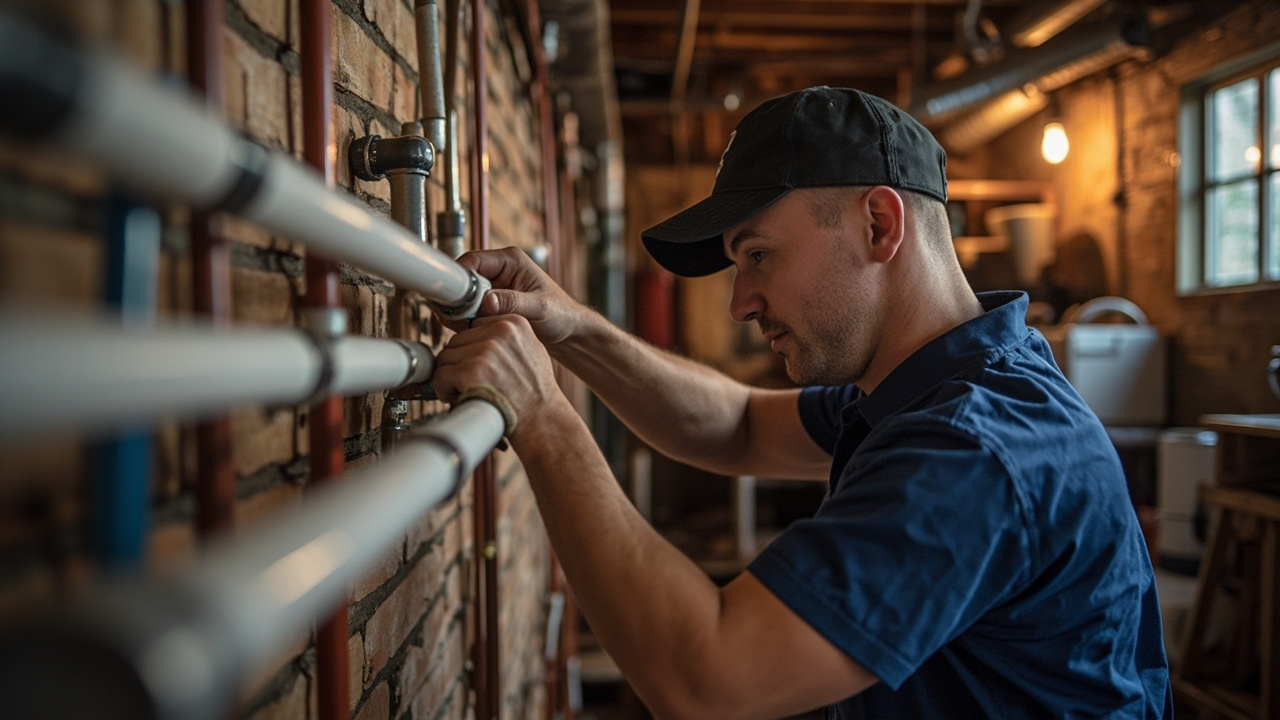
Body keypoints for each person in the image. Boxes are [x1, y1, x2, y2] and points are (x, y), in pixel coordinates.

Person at [430, 86, 1171, 719]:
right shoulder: (937, 381)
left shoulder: (973, 448)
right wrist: (573, 330)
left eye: (757, 255)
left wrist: (543, 417)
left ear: (878, 225)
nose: (740, 304)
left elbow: (708, 679)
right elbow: (738, 427)